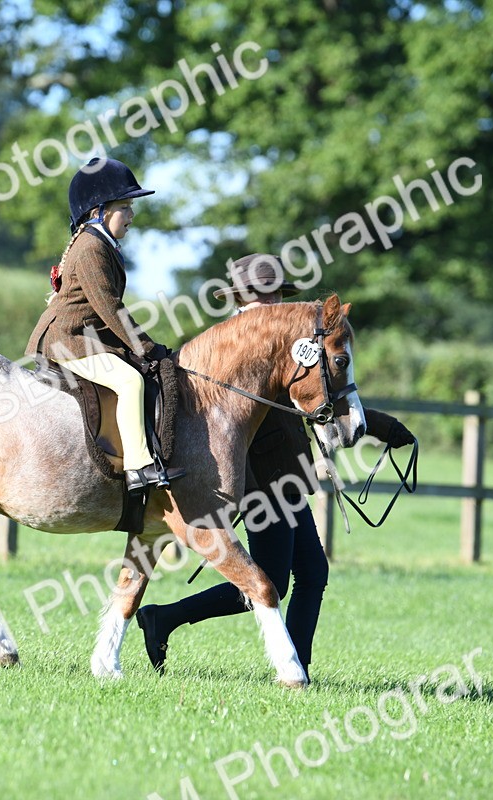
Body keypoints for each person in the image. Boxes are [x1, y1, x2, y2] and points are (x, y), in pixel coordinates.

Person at [135, 253, 414, 681]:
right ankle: (166, 618)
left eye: (277, 293)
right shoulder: (237, 343)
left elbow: (311, 395)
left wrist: (374, 424)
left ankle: (297, 661)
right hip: (259, 478)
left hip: (286, 473)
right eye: (266, 293)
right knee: (272, 582)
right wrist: (376, 423)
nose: (275, 301)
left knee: (313, 574)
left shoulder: (281, 339)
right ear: (247, 295)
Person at [26, 156, 185, 493]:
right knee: (129, 381)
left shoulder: (99, 242)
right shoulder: (91, 248)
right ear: (99, 210)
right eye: (125, 207)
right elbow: (110, 309)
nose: (131, 215)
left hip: (83, 338)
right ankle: (138, 467)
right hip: (67, 341)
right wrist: (148, 348)